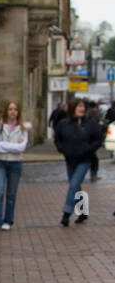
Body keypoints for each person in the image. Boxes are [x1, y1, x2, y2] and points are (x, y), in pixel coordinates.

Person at [55, 96, 102, 226]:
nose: (81, 109)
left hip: (85, 159)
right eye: (78, 106)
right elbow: (58, 139)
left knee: (73, 184)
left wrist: (88, 149)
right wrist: (62, 149)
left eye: (82, 107)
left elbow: (98, 140)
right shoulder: (63, 124)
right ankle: (83, 212)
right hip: (70, 159)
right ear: (72, 108)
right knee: (76, 187)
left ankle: (66, 213)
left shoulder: (91, 124)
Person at [0, 100, 28, 229]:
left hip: (15, 164)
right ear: (6, 111)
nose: (13, 112)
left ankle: (8, 220)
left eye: (15, 109)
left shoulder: (22, 128)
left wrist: (4, 145)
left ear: (18, 112)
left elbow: (22, 147)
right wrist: (13, 146)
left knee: (11, 194)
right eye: (10, 109)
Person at [85, 100, 102, 181]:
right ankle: (93, 175)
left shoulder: (87, 114)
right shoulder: (94, 121)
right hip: (91, 142)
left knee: (93, 160)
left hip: (88, 142)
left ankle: (93, 174)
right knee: (94, 160)